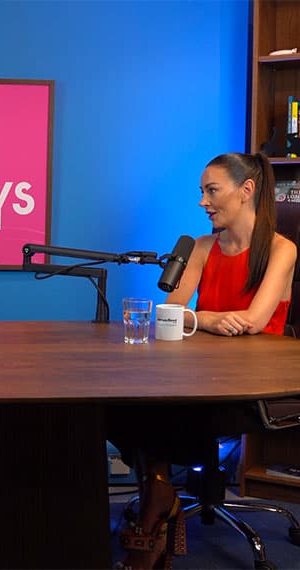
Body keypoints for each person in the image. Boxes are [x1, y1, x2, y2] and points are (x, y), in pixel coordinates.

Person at [109, 152, 297, 570]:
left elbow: (252, 322)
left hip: (251, 387)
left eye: (212, 191)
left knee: (164, 412)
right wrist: (207, 318)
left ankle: (156, 510)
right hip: (198, 376)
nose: (202, 201)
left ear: (246, 190)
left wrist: (192, 317)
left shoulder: (281, 250)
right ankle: (159, 494)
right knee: (122, 403)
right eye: (202, 191)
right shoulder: (201, 247)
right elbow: (167, 311)